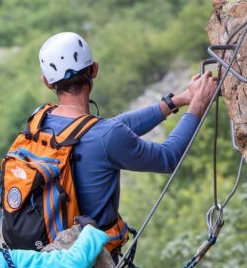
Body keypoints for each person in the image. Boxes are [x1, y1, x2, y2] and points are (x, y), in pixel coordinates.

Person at [37, 31, 219, 252]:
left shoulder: (40, 120)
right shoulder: (106, 136)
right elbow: (168, 157)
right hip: (93, 262)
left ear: (47, 82)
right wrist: (198, 104)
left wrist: (177, 101)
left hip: (47, 251)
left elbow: (107, 130)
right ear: (94, 69)